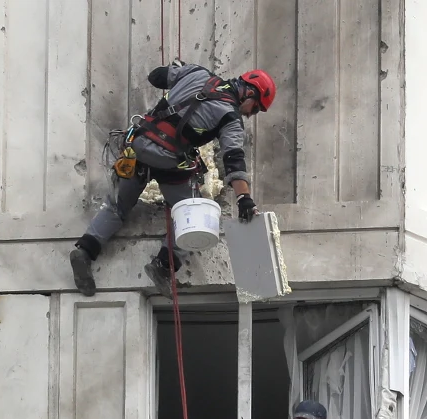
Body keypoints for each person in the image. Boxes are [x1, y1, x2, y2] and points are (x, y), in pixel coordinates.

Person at [69, 63, 277, 297]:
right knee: (193, 215)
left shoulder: (198, 73)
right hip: (169, 162)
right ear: (249, 92)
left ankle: (84, 251)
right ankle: (163, 266)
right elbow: (234, 159)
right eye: (255, 108)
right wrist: (244, 198)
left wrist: (177, 71)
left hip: (138, 147)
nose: (250, 114)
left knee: (117, 206)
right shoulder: (230, 116)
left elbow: (156, 76)